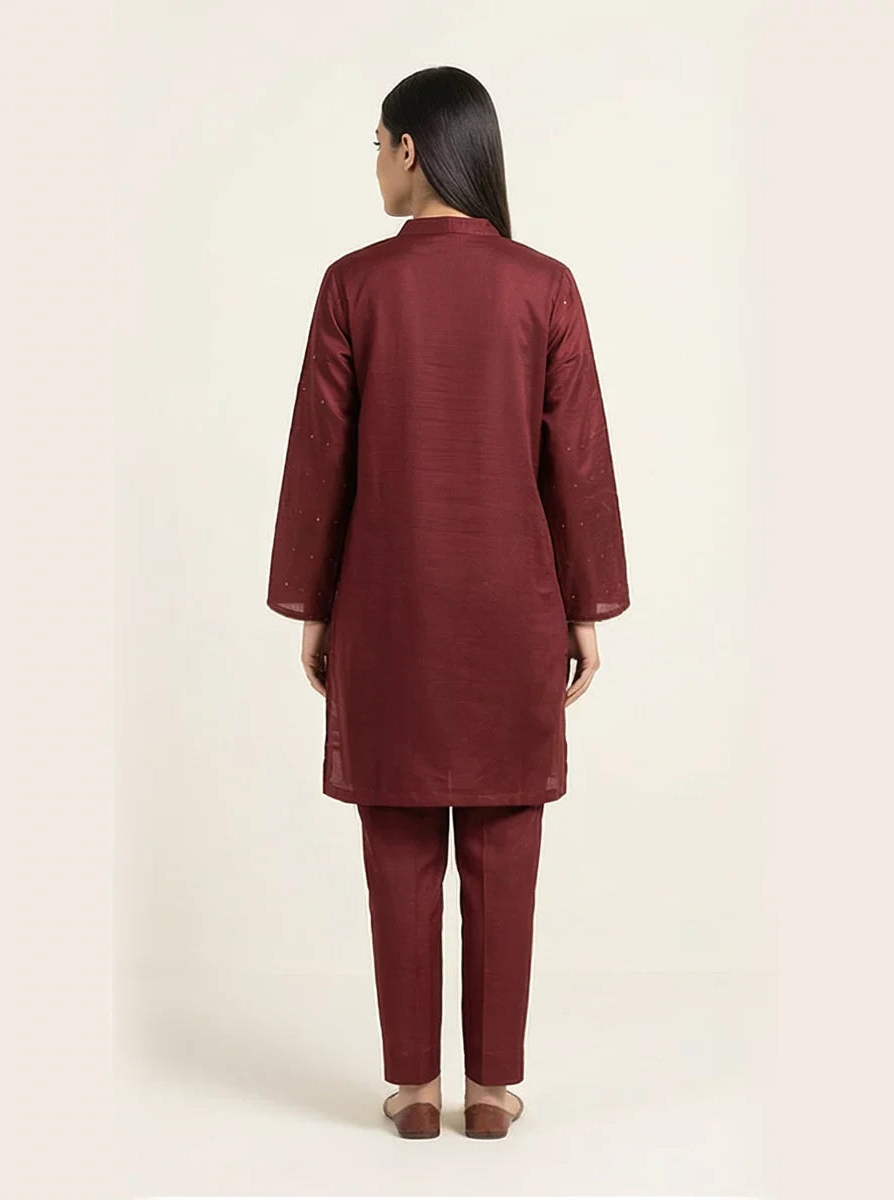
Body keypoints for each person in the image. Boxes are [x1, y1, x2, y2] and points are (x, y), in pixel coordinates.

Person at [266, 66, 630, 1139]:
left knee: (399, 847)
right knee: (507, 847)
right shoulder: (544, 286)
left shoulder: (353, 285)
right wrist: (585, 608)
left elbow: (321, 456)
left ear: (413, 149)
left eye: (378, 143)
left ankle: (416, 1090)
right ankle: (495, 1090)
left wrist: (313, 604)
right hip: (514, 609)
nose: (374, 163)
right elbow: (579, 462)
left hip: (387, 610)